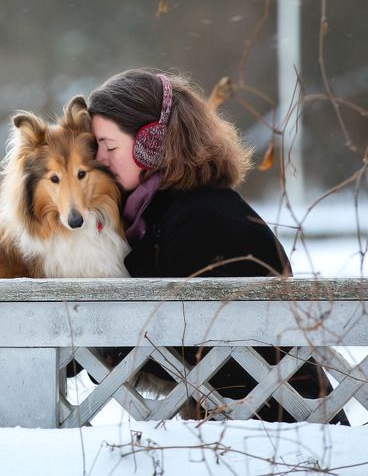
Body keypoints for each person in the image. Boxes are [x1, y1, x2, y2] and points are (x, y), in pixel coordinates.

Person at [86, 68, 346, 424]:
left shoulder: (201, 219)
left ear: (151, 142)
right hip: (254, 419)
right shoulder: (167, 211)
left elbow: (179, 343)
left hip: (277, 426)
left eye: (109, 145)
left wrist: (92, 339)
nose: (100, 159)